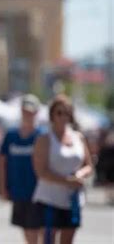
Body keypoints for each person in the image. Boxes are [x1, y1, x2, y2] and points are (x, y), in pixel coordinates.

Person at [32, 94, 93, 244]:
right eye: (59, 112)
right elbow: (41, 172)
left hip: (72, 200)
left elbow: (88, 165)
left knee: (68, 239)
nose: (63, 116)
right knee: (48, 239)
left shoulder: (78, 137)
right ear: (52, 114)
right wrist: (68, 181)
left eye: (67, 112)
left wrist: (79, 174)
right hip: (49, 199)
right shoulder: (44, 139)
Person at [0, 94, 44, 244]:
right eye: (25, 111)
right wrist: (2, 187)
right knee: (26, 227)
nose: (27, 114)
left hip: (39, 191)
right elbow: (2, 162)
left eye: (31, 111)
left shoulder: (42, 135)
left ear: (37, 112)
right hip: (18, 190)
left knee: (37, 229)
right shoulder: (11, 135)